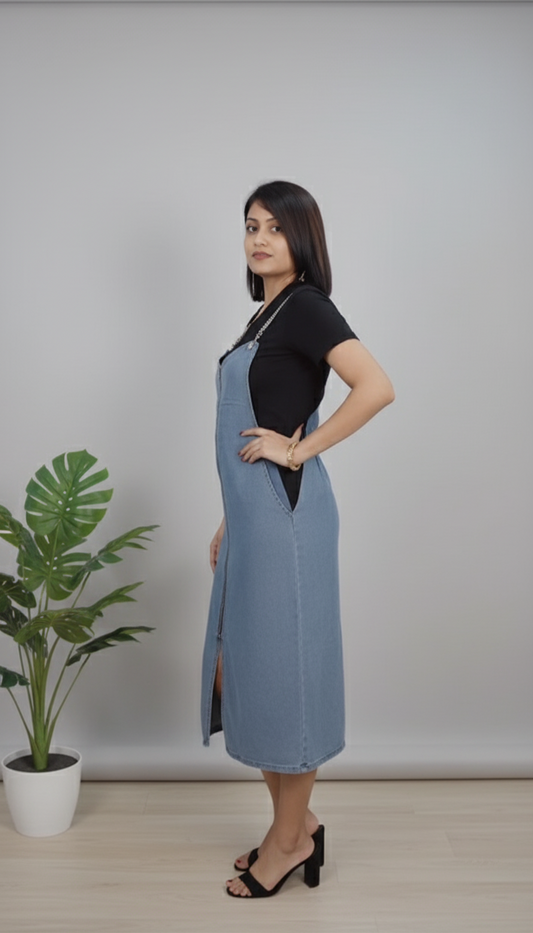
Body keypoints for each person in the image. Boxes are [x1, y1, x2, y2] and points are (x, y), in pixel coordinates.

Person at [200, 180, 394, 898]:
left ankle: (286, 843)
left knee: (288, 677)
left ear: (302, 237)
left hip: (287, 519)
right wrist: (231, 514)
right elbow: (272, 416)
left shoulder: (307, 305)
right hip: (253, 518)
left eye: (275, 228)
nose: (259, 239)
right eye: (251, 226)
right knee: (249, 670)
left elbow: (374, 386)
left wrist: (298, 452)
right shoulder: (264, 315)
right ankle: (298, 823)